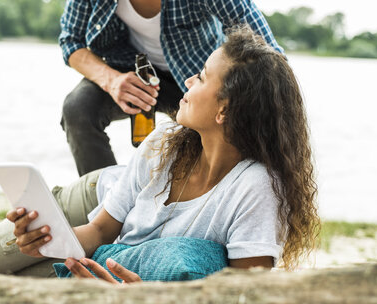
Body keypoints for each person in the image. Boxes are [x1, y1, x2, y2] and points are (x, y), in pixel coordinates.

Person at [0, 25, 318, 280]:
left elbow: (246, 297)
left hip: (111, 248)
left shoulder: (255, 189)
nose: (186, 79)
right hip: (96, 197)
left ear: (225, 109)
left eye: (200, 77)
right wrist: (51, 238)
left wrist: (143, 302)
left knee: (3, 278)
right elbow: (99, 230)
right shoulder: (163, 145)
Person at [59, 0, 284, 176]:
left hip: (196, 78)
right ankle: (103, 209)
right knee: (78, 110)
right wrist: (111, 80)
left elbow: (265, 51)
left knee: (213, 147)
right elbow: (71, 40)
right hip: (131, 72)